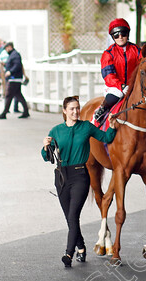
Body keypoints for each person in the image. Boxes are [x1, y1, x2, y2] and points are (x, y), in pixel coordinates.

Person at [42, 96, 119, 267]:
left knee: (73, 215)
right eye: (72, 109)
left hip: (80, 176)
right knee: (70, 219)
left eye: (77, 108)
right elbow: (48, 157)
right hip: (61, 177)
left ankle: (69, 254)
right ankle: (81, 247)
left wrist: (112, 128)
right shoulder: (56, 131)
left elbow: (106, 138)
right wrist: (45, 146)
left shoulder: (86, 127)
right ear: (65, 111)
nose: (76, 111)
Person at [93, 18, 142, 124]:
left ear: (127, 34)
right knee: (116, 96)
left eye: (123, 34)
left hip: (133, 86)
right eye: (116, 35)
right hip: (115, 87)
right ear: (113, 37)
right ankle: (100, 113)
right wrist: (122, 86)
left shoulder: (137, 50)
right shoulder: (108, 54)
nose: (120, 37)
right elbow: (108, 75)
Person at [0, 41, 30, 119]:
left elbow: (17, 65)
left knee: (9, 95)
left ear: (10, 47)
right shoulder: (13, 55)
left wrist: (10, 72)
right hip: (15, 78)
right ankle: (26, 111)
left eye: (6, 49)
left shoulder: (15, 55)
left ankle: (4, 112)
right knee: (18, 95)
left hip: (14, 78)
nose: (6, 51)